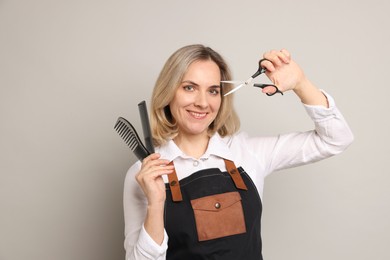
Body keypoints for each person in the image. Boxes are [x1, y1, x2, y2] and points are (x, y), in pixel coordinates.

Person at [123, 44, 354, 260]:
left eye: (213, 91)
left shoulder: (247, 152)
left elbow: (336, 139)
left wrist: (301, 83)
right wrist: (155, 205)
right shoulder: (144, 174)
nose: (202, 102)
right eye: (189, 87)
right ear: (169, 92)